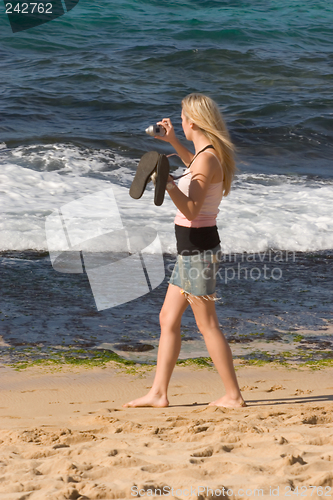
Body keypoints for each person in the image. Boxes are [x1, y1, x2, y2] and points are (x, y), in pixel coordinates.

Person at [123, 93, 245, 409]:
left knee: (207, 325)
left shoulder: (208, 158)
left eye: (181, 118)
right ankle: (159, 393)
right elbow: (193, 165)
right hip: (191, 251)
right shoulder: (206, 154)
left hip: (198, 253)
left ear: (192, 120)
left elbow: (191, 210)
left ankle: (233, 396)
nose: (179, 121)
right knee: (168, 318)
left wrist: (167, 184)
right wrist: (175, 142)